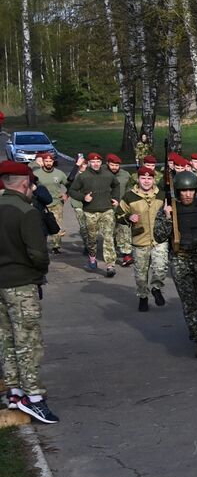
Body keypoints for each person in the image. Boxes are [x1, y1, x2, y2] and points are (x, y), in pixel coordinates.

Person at [0, 160, 57, 423]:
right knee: (29, 341)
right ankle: (33, 397)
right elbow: (38, 254)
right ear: (25, 184)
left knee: (7, 339)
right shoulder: (26, 211)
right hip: (21, 284)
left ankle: (13, 391)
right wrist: (39, 270)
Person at [153, 172, 197, 357]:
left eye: (191, 190)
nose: (188, 194)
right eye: (183, 191)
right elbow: (158, 236)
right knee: (189, 303)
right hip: (180, 258)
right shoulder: (169, 209)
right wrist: (166, 217)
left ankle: (195, 316)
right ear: (178, 192)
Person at [116, 165, 168, 312]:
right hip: (140, 240)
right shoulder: (129, 196)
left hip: (159, 239)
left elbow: (172, 214)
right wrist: (128, 217)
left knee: (160, 268)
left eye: (149, 178)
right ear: (138, 179)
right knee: (140, 274)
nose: (146, 181)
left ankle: (156, 288)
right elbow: (118, 215)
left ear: (154, 180)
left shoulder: (162, 195)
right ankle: (143, 296)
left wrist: (168, 212)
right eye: (143, 178)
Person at [68, 151, 119, 276]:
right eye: (93, 162)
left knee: (108, 237)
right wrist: (83, 197)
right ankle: (92, 259)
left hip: (107, 209)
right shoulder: (83, 176)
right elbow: (72, 190)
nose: (95, 164)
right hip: (90, 211)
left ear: (101, 163)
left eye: (98, 161)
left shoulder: (108, 175)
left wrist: (115, 198)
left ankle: (110, 265)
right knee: (92, 238)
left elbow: (116, 185)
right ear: (89, 163)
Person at [32, 151, 67, 253]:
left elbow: (70, 184)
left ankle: (56, 247)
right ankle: (41, 245)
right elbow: (30, 186)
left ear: (53, 162)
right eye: (46, 161)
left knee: (56, 225)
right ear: (42, 162)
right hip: (40, 204)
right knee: (40, 225)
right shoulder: (36, 174)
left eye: (50, 161)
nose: (48, 163)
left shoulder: (59, 173)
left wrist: (66, 194)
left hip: (56, 203)